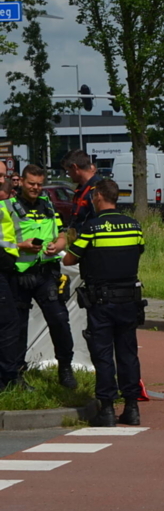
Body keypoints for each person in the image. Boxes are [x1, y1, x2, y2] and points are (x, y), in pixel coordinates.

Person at [62, 179, 146, 427]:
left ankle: (107, 409)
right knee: (128, 354)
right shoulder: (134, 226)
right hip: (130, 299)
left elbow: (69, 259)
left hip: (101, 301)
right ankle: (132, 408)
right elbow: (138, 250)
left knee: (103, 354)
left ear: (98, 197)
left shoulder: (91, 228)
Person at [10, 164, 77, 389]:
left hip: (46, 273)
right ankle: (17, 373)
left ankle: (65, 368)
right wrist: (22, 246)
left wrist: (57, 246)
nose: (36, 188)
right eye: (31, 184)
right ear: (21, 182)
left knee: (59, 320)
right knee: (17, 327)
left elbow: (62, 234)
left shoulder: (48, 204)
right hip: (18, 275)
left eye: (39, 184)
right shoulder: (7, 207)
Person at [0, 161, 26, 392]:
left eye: (4, 175)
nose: (2, 179)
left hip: (7, 268)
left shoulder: (5, 204)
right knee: (8, 323)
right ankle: (8, 378)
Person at [63, 150, 104, 240]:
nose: (68, 175)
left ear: (75, 167)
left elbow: (102, 222)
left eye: (68, 171)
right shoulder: (81, 189)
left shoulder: (98, 189)